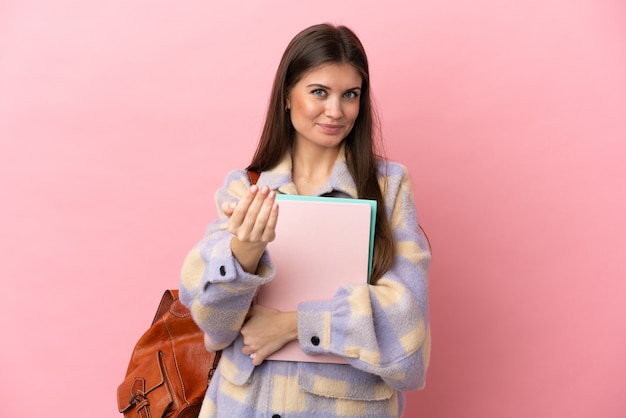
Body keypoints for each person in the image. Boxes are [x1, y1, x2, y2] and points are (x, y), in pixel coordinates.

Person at [179, 23, 431, 418]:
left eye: (350, 95)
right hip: (244, 406)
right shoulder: (246, 188)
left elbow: (408, 337)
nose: (336, 111)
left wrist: (296, 325)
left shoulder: (389, 186)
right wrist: (243, 252)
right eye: (319, 92)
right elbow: (214, 325)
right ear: (286, 96)